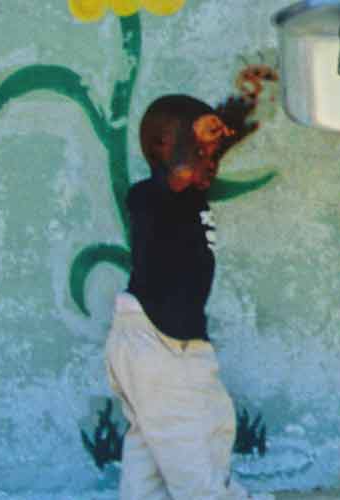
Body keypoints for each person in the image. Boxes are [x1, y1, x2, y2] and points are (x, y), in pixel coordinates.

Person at [105, 94, 258, 499]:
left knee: (152, 450)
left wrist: (232, 114)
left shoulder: (188, 193)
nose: (210, 158)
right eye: (198, 147)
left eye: (214, 151)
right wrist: (194, 147)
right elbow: (174, 176)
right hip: (161, 346)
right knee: (195, 445)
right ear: (161, 149)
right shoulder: (148, 196)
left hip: (163, 346)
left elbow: (199, 159)